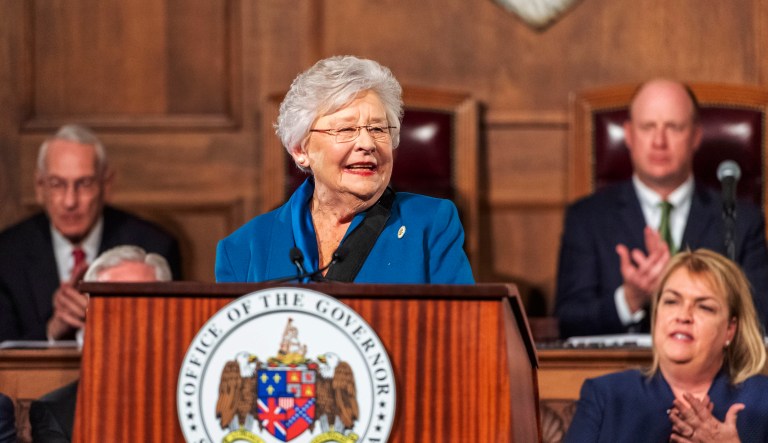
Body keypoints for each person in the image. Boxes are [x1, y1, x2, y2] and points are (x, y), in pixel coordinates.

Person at [216, 55, 474, 284]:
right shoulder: (242, 249)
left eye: (377, 129)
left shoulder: (431, 224)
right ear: (299, 149)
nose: (367, 144)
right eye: (345, 129)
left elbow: (462, 329)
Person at [555, 78, 768, 338]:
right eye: (648, 127)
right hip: (620, 371)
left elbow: (760, 320)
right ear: (630, 135)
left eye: (673, 127)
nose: (659, 141)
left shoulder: (739, 219)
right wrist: (630, 299)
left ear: (696, 135)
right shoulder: (587, 217)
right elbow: (568, 320)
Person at [0, 124, 181, 342]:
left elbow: (167, 338)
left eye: (84, 184)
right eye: (57, 184)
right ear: (40, 187)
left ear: (106, 185)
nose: (70, 201)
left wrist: (106, 318)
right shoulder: (7, 255)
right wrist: (52, 329)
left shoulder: (154, 246)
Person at [565, 249, 768, 442]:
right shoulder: (605, 395)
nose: (683, 316)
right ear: (656, 315)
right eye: (672, 301)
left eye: (704, 307)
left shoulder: (762, 400)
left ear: (730, 329)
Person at [29, 245, 172, 443]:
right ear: (93, 319)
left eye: (142, 300)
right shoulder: (59, 413)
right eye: (114, 304)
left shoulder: (201, 396)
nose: (130, 316)